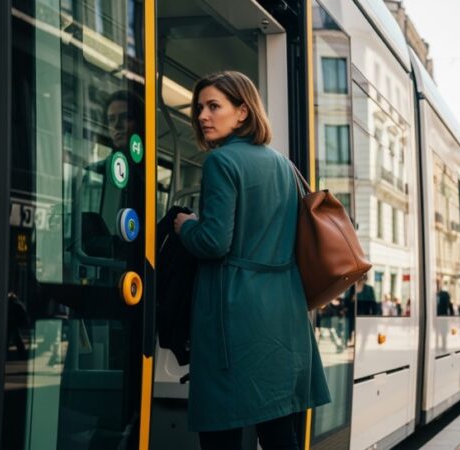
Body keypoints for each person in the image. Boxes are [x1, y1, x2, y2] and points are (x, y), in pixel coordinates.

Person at [173, 71, 330, 449]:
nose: (202, 116)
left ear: (242, 112)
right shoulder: (283, 165)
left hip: (234, 312)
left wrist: (185, 226)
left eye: (214, 106)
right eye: (199, 108)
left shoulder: (221, 162)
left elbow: (214, 243)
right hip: (284, 312)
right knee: (278, 430)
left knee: (221, 428)